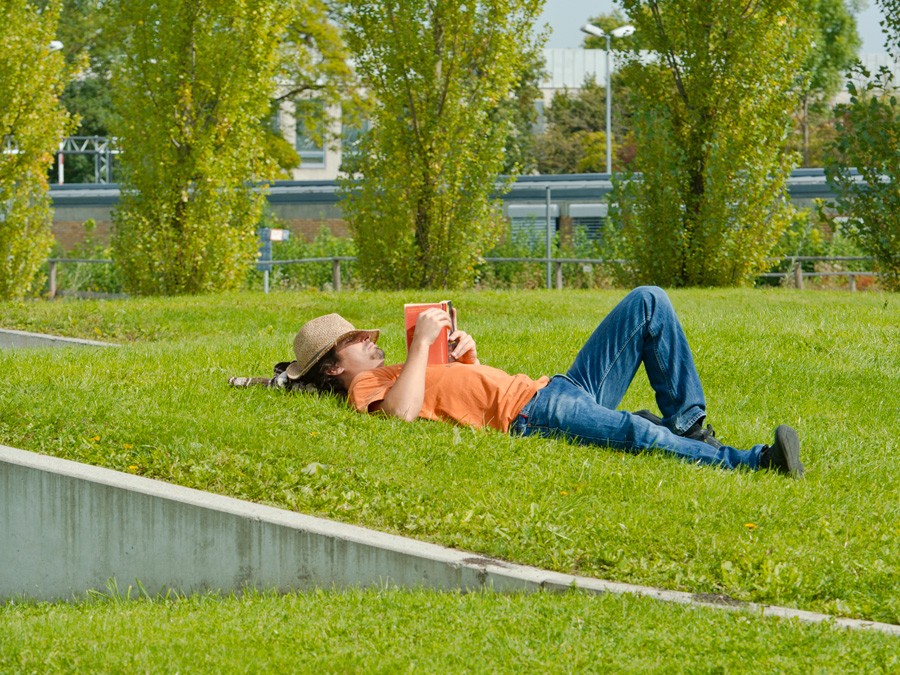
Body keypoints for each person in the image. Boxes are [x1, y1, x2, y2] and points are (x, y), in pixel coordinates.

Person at [284, 286, 804, 478]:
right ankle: (756, 463)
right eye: (357, 340)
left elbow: (460, 398)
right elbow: (400, 416)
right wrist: (419, 344)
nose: (372, 341)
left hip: (556, 388)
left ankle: (690, 428)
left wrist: (467, 357)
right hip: (532, 415)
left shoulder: (397, 371)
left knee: (648, 302)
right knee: (635, 434)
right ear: (333, 365)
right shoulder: (366, 387)